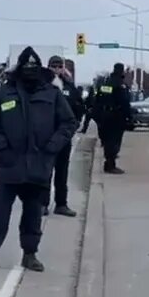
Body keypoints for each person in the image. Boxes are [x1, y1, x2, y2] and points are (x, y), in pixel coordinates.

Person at [0, 47, 77, 272]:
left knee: (33, 213)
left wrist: (53, 147)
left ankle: (30, 254)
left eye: (34, 67)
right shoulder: (5, 93)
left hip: (38, 166)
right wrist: (0, 145)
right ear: (19, 69)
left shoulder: (52, 94)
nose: (29, 71)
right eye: (26, 67)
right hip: (8, 164)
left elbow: (69, 123)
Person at [46, 55, 83, 217]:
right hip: (45, 137)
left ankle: (61, 204)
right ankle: (42, 204)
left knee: (62, 172)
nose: (56, 69)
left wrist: (73, 128)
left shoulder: (69, 86)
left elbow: (79, 107)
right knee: (44, 173)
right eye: (53, 66)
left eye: (58, 66)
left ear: (63, 68)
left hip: (64, 138)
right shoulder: (42, 86)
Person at [91, 62, 132, 174]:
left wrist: (97, 115)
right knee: (114, 141)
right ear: (121, 71)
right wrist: (129, 116)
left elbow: (98, 99)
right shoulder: (120, 84)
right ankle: (110, 165)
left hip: (104, 116)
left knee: (107, 140)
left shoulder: (106, 83)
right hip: (116, 116)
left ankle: (108, 162)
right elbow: (124, 102)